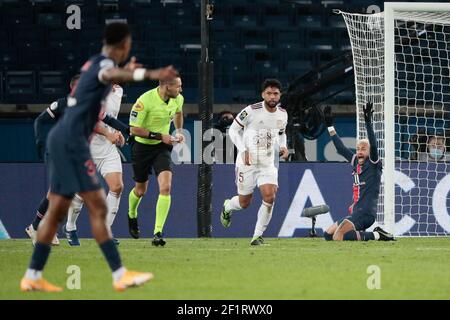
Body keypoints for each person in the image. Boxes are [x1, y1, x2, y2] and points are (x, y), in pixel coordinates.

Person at [20, 22, 177, 292]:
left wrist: (123, 128)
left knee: (64, 207)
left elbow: (104, 111)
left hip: (69, 141)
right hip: (71, 143)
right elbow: (110, 77)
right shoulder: (103, 65)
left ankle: (35, 273)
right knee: (81, 206)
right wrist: (152, 73)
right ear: (123, 45)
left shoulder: (94, 68)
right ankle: (117, 274)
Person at [26, 75, 125, 246]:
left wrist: (126, 132)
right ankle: (39, 228)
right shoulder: (63, 104)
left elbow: (108, 120)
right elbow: (40, 120)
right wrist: (39, 142)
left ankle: (39, 227)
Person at [219, 79, 289, 245]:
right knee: (244, 203)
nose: (272, 96)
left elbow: (281, 134)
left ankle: (257, 236)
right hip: (248, 162)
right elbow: (234, 131)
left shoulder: (283, 114)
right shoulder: (250, 111)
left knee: (269, 196)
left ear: (280, 95)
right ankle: (228, 206)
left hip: (267, 163)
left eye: (276, 93)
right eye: (269, 93)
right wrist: (243, 150)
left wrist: (284, 146)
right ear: (263, 94)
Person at [62, 84, 126, 246]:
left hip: (108, 149)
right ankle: (70, 227)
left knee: (117, 187)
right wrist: (107, 133)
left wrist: (117, 133)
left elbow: (111, 118)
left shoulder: (118, 91)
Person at [322, 103, 395, 241]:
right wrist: (329, 126)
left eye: (363, 149)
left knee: (339, 236)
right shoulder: (355, 161)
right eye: (358, 149)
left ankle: (376, 237)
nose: (360, 151)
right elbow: (340, 148)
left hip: (366, 213)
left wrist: (368, 123)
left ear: (369, 152)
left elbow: (373, 145)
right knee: (328, 235)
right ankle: (376, 235)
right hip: (356, 212)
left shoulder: (373, 163)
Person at [127, 75, 184, 247]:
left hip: (162, 147)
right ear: (167, 86)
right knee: (140, 190)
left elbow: (179, 112)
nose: (180, 90)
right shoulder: (144, 101)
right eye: (178, 86)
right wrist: (160, 135)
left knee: (165, 186)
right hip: (142, 147)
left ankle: (157, 232)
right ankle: (131, 213)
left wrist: (179, 130)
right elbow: (133, 129)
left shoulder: (178, 99)